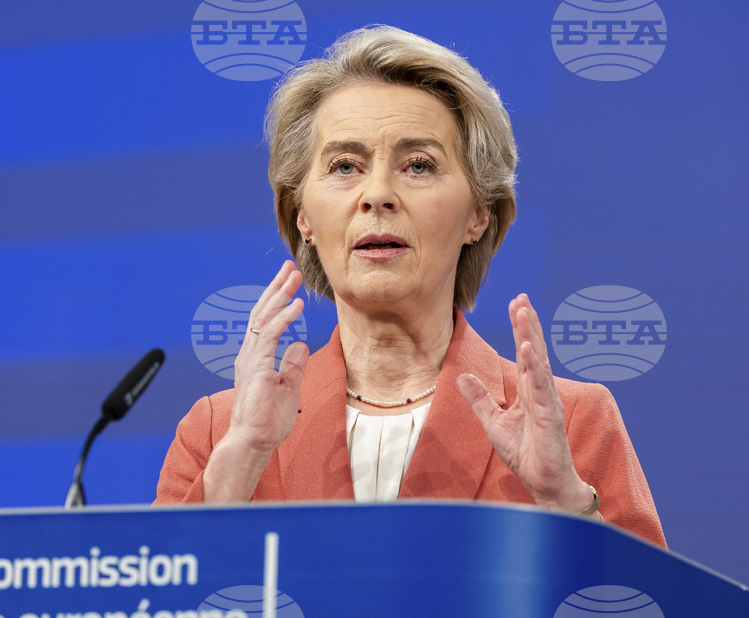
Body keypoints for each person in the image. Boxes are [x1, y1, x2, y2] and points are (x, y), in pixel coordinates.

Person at [154, 26, 665, 548]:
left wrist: (566, 504)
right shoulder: (219, 431)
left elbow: (644, 601)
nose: (377, 194)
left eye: (418, 166)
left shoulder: (574, 421)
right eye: (344, 166)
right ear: (302, 214)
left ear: (479, 214)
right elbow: (155, 594)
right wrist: (240, 463)